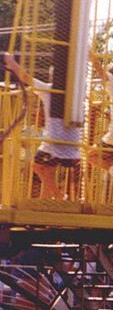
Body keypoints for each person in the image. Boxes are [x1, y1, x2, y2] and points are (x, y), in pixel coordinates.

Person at [2, 52, 82, 199]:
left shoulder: (49, 90)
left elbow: (25, 77)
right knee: (48, 172)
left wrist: (11, 62)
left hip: (53, 145)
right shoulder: (75, 95)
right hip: (73, 148)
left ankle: (59, 196)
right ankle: (44, 203)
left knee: (36, 166)